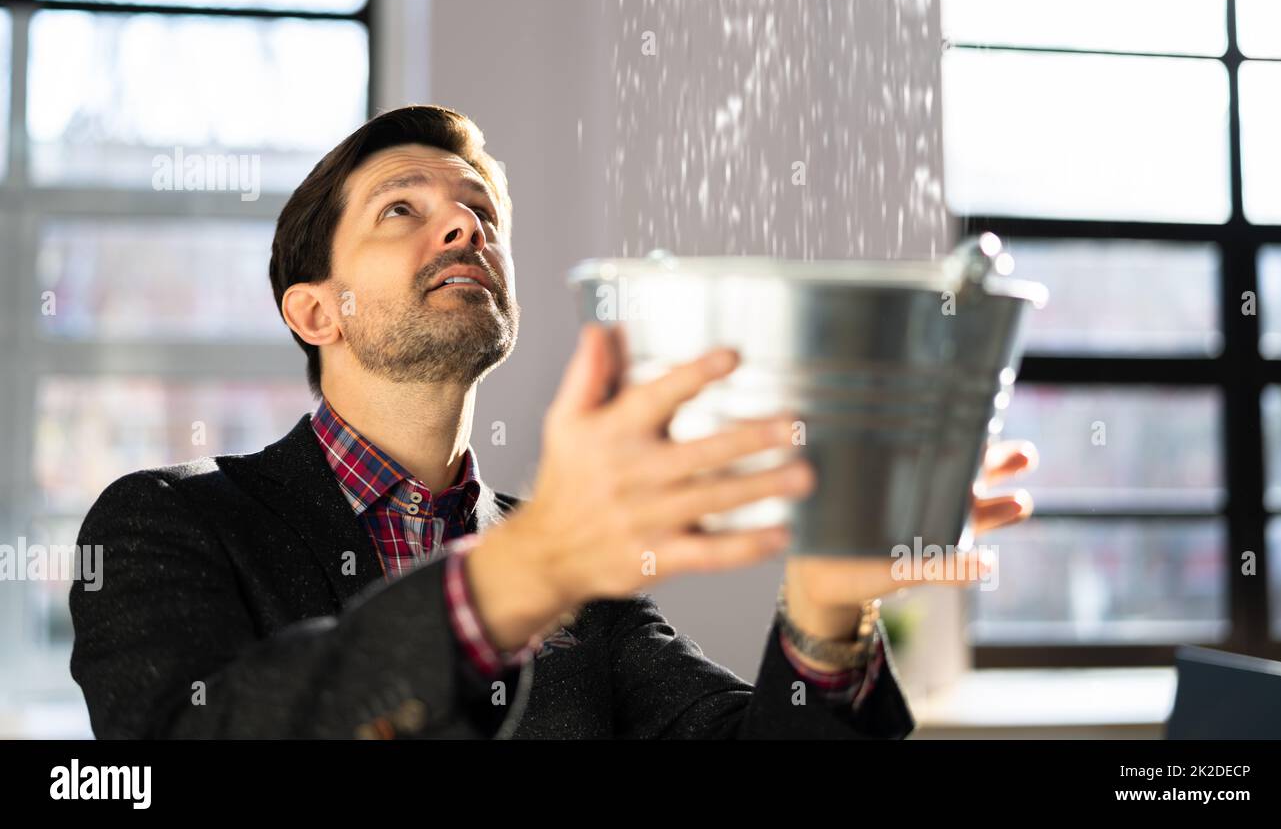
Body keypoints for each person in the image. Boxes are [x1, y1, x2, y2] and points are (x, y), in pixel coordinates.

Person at [69, 104, 1036, 739]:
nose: (464, 228)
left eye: (478, 211)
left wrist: (829, 611)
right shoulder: (167, 525)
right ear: (315, 312)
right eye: (401, 209)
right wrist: (527, 572)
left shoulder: (587, 576)